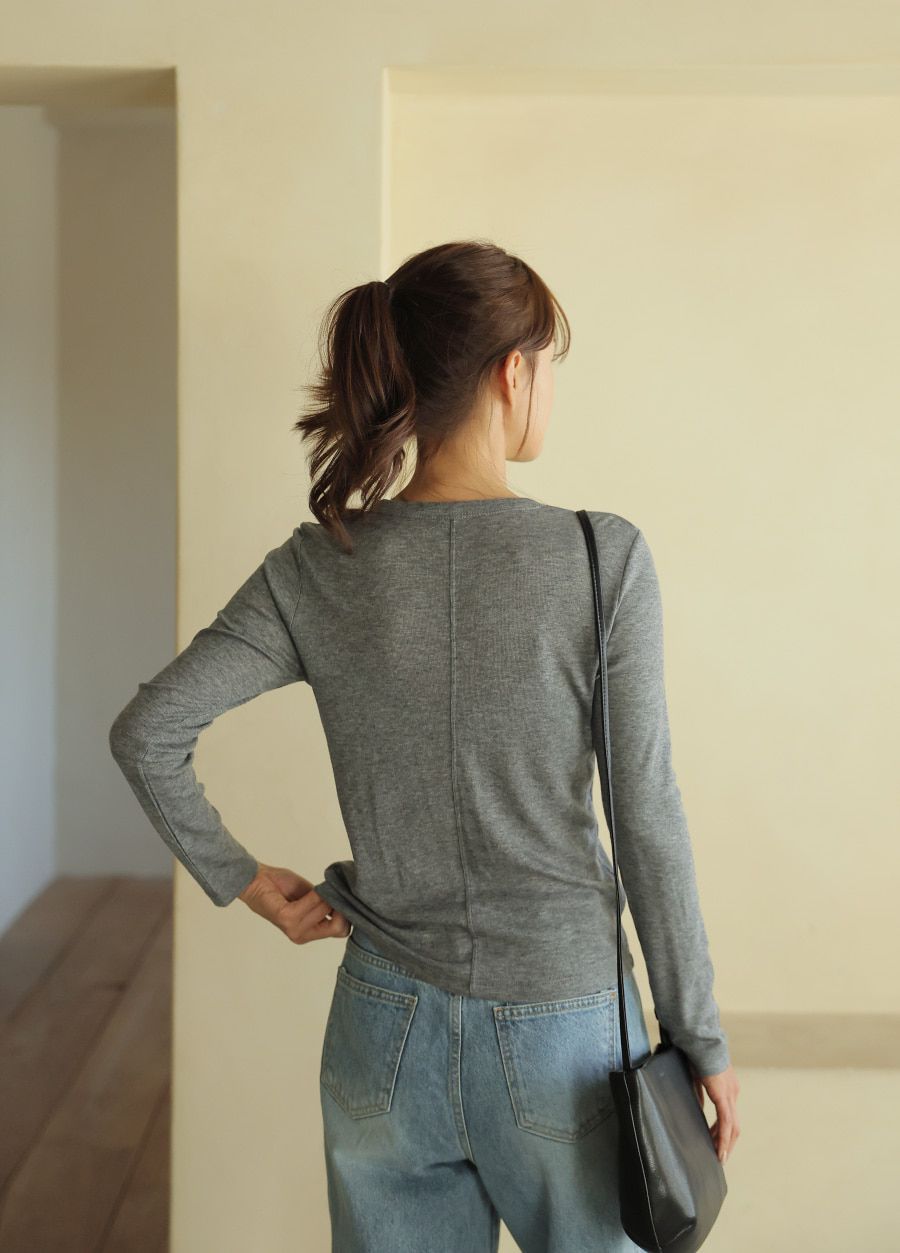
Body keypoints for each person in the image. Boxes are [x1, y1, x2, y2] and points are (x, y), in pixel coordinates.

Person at [109, 238, 741, 1251]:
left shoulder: (320, 564)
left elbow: (147, 733)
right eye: (549, 364)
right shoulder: (601, 557)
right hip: (567, 1035)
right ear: (511, 372)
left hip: (382, 1029)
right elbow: (648, 819)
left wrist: (247, 881)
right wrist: (699, 1036)